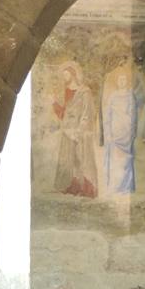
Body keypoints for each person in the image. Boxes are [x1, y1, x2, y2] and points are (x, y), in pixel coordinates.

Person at [52, 61, 98, 197]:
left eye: (66, 74)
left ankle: (86, 189)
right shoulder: (65, 92)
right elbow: (64, 114)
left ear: (73, 74)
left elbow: (87, 113)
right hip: (67, 131)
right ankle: (72, 187)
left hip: (80, 131)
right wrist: (54, 104)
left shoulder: (84, 92)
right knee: (69, 160)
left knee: (82, 160)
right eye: (63, 75)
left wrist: (79, 131)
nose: (64, 78)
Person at [100, 68, 144, 194]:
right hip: (115, 133)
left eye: (124, 79)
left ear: (127, 81)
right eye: (120, 79)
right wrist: (108, 133)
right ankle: (115, 186)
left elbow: (134, 115)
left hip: (127, 133)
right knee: (116, 160)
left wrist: (131, 130)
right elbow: (107, 115)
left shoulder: (131, 96)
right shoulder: (113, 96)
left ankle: (126, 187)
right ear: (117, 81)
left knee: (126, 160)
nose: (122, 82)